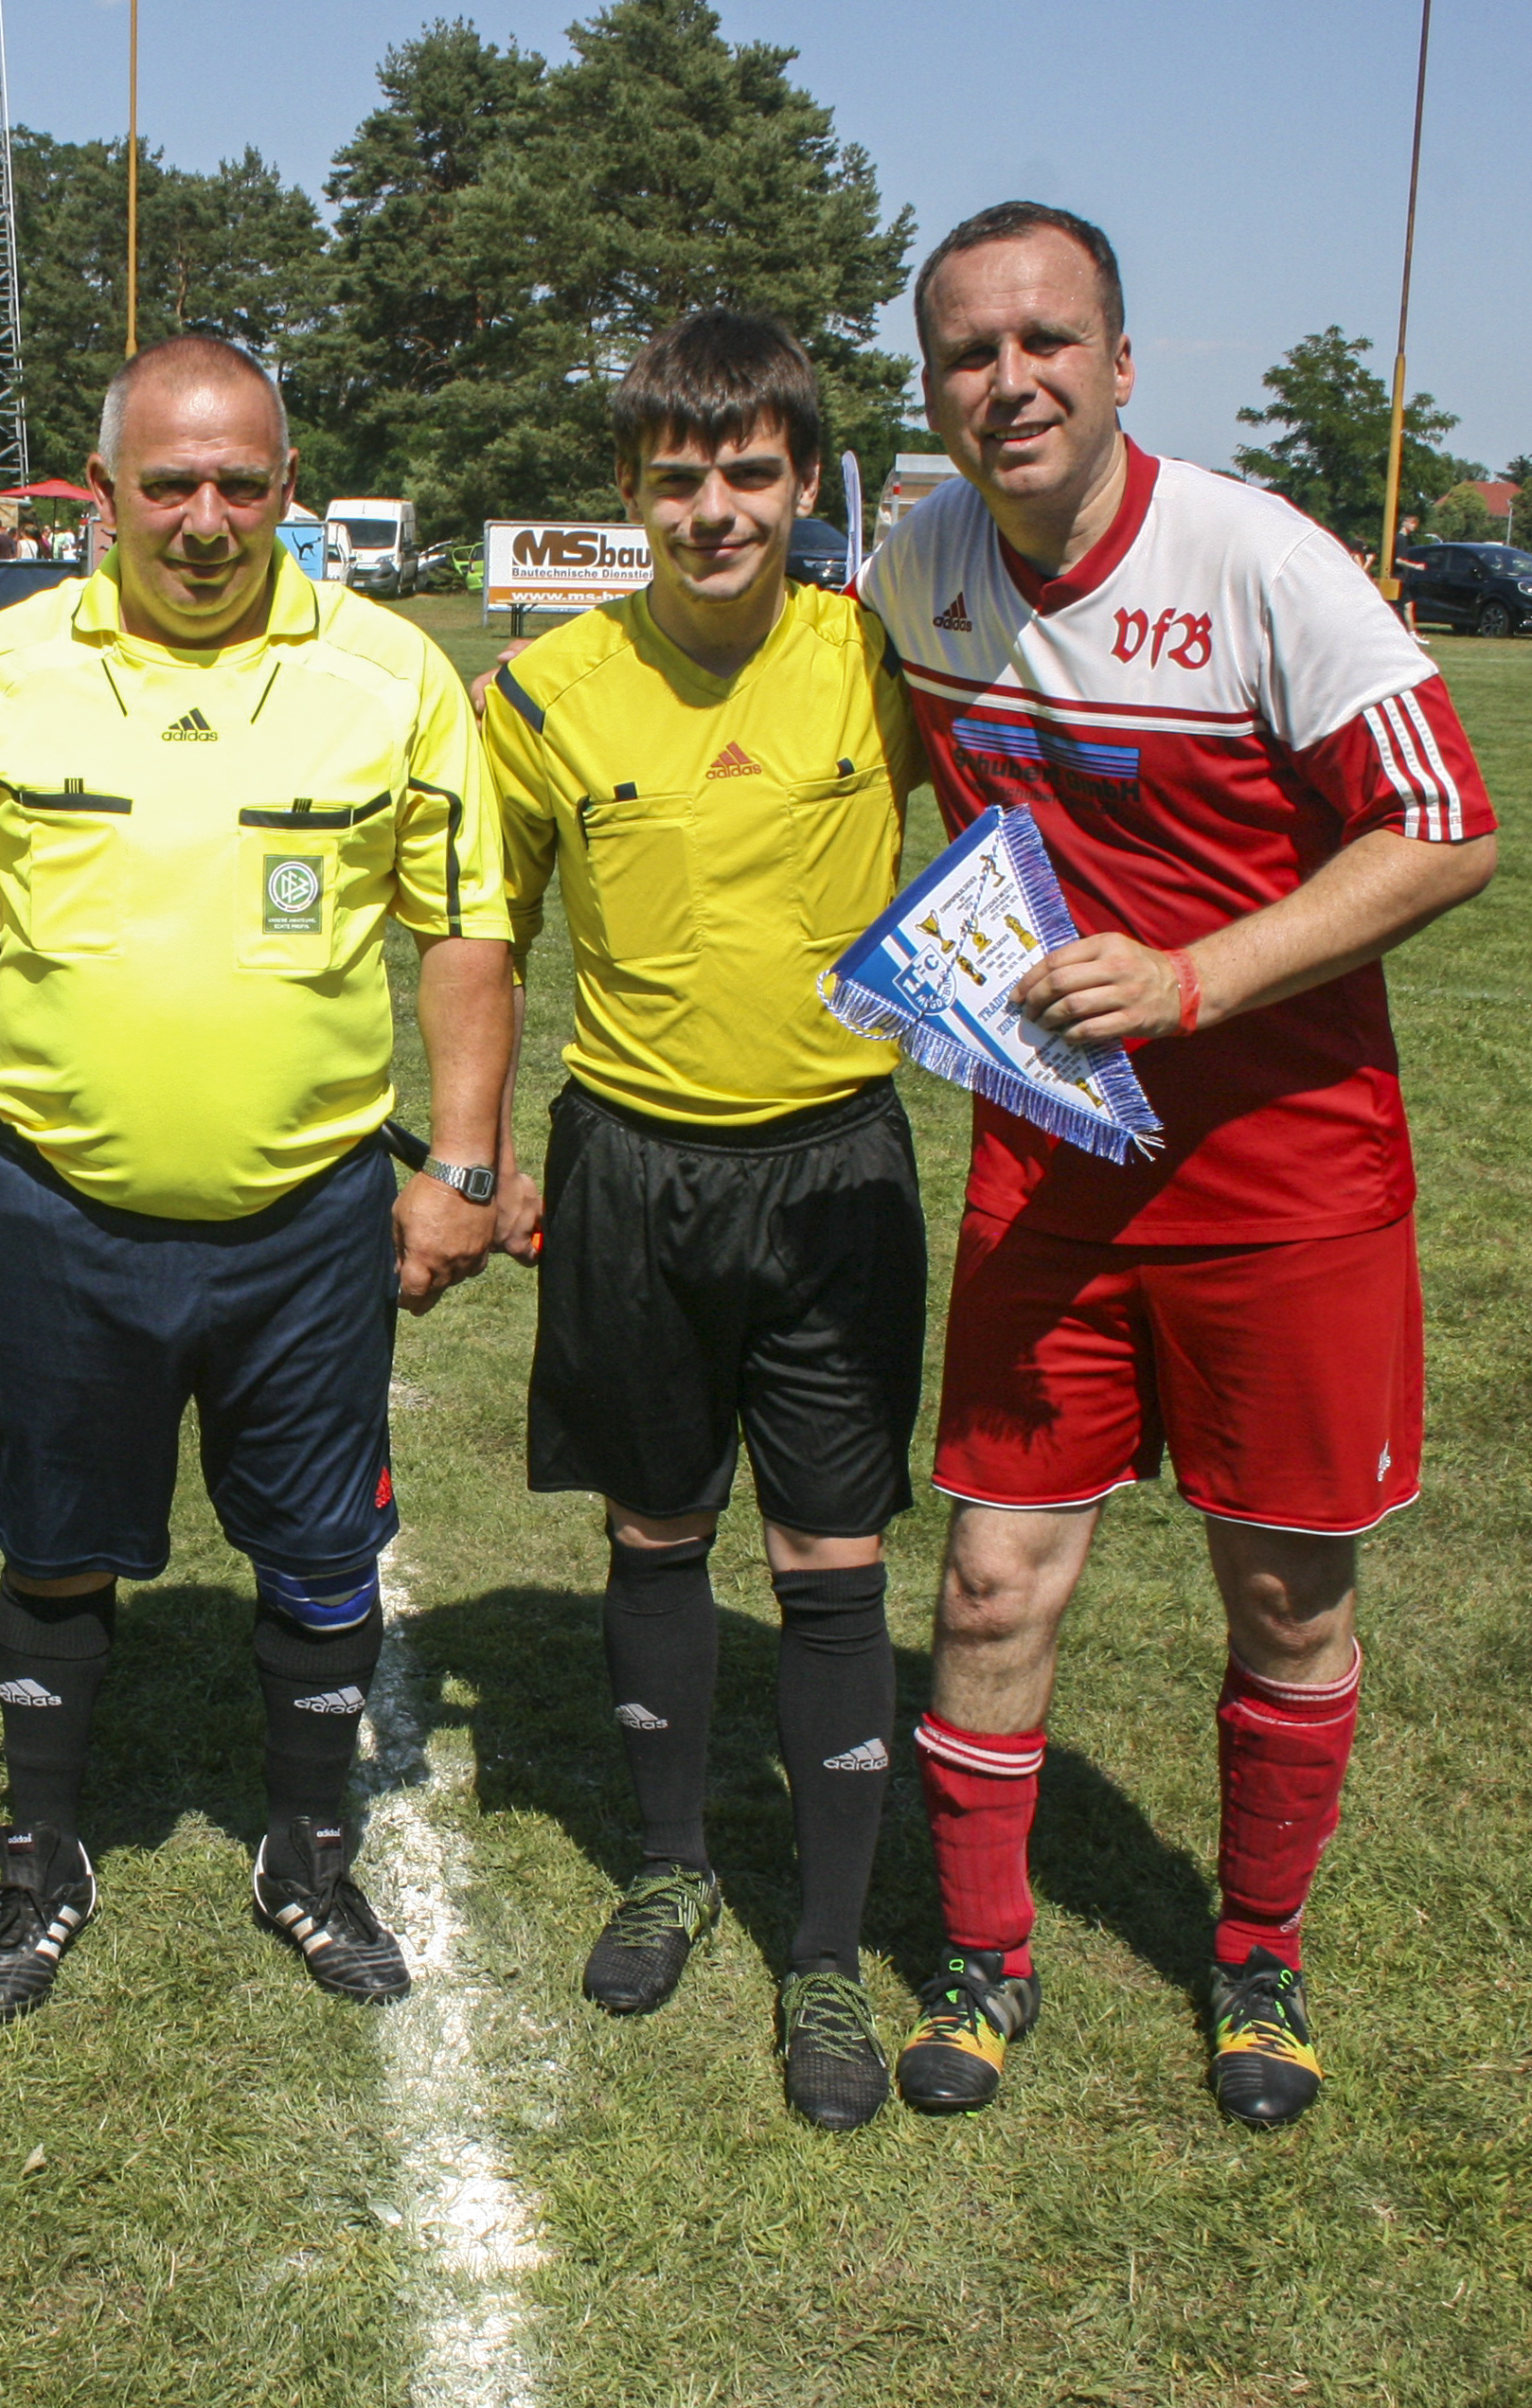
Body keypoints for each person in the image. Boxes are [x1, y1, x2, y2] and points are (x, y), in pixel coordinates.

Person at [859, 202, 1494, 2127]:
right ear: (933, 388)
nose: (1010, 381)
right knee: (991, 1585)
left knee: (1286, 1602)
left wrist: (1195, 977)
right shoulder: (919, 563)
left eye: (1048, 341)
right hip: (1050, 1171)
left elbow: (1447, 829)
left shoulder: (1259, 563)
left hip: (1285, 1183)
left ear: (1122, 364)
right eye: (969, 351)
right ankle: (984, 1959)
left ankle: (1260, 1955)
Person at [0, 334, 516, 2023]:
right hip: (61, 1210)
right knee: (56, 1547)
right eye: (169, 485)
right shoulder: (1, 671)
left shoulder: (389, 674)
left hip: (308, 1222)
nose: (206, 520)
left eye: (241, 484)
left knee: (321, 1550)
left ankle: (308, 1855)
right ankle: (42, 1859)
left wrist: (461, 1161)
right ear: (104, 493)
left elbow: (464, 931)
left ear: (288, 489)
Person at [480, 309, 926, 2129]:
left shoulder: (883, 657)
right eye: (680, 479)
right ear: (631, 491)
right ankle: (669, 1863)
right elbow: (483, 937)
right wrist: (478, 1150)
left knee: (830, 1558)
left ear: (805, 479)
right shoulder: (543, 693)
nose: (716, 510)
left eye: (751, 472)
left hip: (835, 1169)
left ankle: (823, 1951)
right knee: (655, 1526)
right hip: (632, 1169)